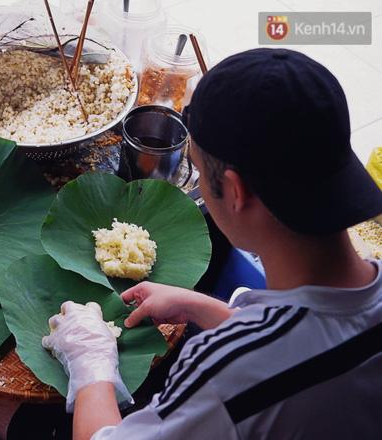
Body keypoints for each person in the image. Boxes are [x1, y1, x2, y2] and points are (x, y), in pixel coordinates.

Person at [41, 48, 382, 439]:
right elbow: (319, 341)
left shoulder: (229, 375)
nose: (200, 184)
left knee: (0, 416)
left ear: (235, 191)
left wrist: (91, 363)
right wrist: (202, 306)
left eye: (199, 170)